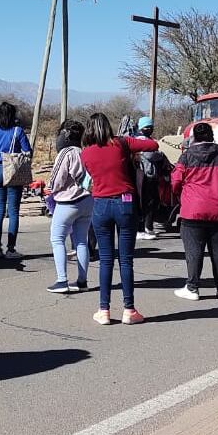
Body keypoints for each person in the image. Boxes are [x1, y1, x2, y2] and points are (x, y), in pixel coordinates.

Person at [82, 112, 157, 325]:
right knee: (126, 259)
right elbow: (152, 146)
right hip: (125, 203)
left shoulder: (86, 153)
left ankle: (103, 310)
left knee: (106, 259)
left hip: (101, 205)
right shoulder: (121, 143)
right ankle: (129, 309)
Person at [170, 122, 218, 300]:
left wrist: (179, 195)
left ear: (194, 137)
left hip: (193, 211)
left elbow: (175, 181)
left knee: (194, 251)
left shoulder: (187, 156)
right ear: (211, 136)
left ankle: (193, 287)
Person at [47, 119, 92, 293]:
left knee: (57, 239)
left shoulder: (66, 153)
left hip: (68, 202)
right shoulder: (84, 152)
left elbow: (57, 178)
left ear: (64, 135)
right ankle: (82, 280)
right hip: (88, 200)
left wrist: (49, 189)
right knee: (81, 241)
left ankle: (62, 280)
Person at [0, 102, 31, 258]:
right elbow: (28, 151)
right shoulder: (18, 131)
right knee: (14, 211)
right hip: (13, 172)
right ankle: (11, 249)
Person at [134, 116, 166, 241]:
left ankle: (148, 227)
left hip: (151, 175)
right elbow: (151, 155)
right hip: (144, 176)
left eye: (150, 127)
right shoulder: (140, 140)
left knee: (152, 202)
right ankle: (141, 229)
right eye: (146, 127)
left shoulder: (148, 139)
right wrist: (160, 154)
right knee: (145, 203)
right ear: (141, 128)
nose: (149, 129)